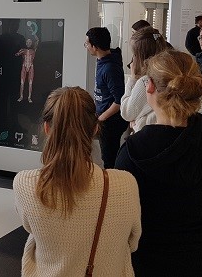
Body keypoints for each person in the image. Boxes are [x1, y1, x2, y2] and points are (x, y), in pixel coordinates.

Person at [115, 50, 202, 277]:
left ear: (149, 88)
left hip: (147, 261)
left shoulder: (132, 151)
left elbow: (119, 215)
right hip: (200, 259)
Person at [13, 87, 141, 277]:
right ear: (95, 128)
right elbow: (132, 242)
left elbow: (31, 228)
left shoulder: (25, 184)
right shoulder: (125, 184)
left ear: (47, 128)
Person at [85, 27, 128, 168]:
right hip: (105, 117)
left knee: (109, 158)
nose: (86, 46)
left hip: (111, 121)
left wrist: (101, 118)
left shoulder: (109, 67)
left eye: (87, 43)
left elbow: (119, 100)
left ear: (95, 47)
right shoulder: (104, 60)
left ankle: (112, 187)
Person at [15, 22, 39, 103]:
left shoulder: (33, 50)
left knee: (30, 83)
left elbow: (37, 40)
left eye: (30, 42)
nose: (28, 43)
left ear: (31, 43)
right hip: (24, 67)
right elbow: (17, 54)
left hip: (31, 67)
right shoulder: (23, 50)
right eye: (27, 42)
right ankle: (21, 96)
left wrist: (33, 32)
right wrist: (18, 53)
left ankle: (29, 97)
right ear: (25, 43)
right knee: (22, 83)